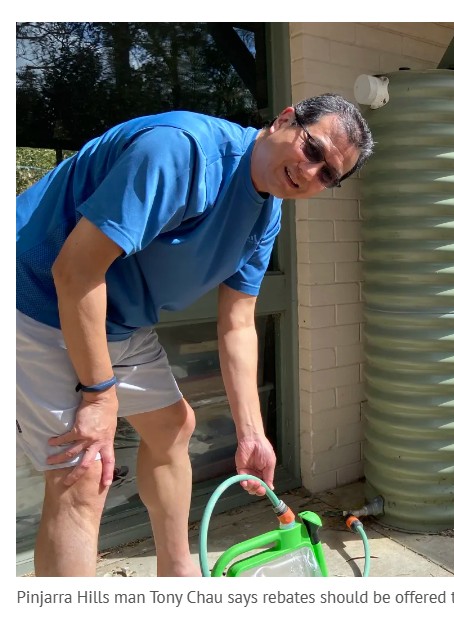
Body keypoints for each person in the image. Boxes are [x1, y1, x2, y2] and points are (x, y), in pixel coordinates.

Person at [16, 93, 374, 576]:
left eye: (328, 174)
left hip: (116, 316)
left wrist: (252, 434)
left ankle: (178, 574)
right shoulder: (181, 151)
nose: (311, 172)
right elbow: (74, 272)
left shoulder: (267, 212)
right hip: (32, 296)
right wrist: (99, 397)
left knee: (172, 426)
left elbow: (238, 323)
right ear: (284, 120)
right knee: (83, 471)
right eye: (313, 150)